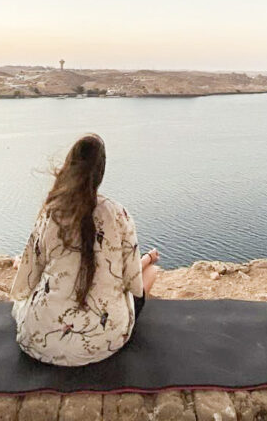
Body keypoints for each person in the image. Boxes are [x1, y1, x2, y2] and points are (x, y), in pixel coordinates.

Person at [9, 133, 161, 366]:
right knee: (152, 273)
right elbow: (133, 283)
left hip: (40, 342)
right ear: (100, 172)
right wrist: (147, 260)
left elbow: (24, 285)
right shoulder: (117, 213)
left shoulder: (52, 212)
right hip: (103, 343)